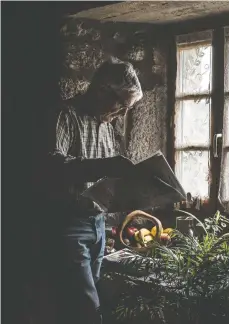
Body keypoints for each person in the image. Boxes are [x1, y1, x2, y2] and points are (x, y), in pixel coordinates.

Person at [44, 58, 143, 324]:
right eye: (121, 105)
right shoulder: (66, 116)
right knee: (87, 306)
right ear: (101, 90)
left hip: (98, 223)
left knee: (91, 298)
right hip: (70, 223)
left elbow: (108, 177)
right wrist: (105, 165)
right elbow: (52, 166)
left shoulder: (108, 127)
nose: (122, 113)